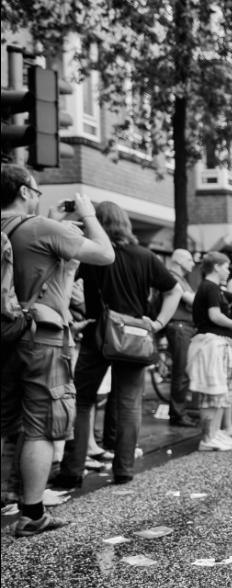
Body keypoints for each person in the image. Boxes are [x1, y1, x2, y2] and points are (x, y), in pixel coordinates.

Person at [1, 165, 115, 536]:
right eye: (36, 190)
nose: (38, 196)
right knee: (41, 426)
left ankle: (9, 494)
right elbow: (105, 253)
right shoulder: (40, 228)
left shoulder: (18, 228)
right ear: (23, 191)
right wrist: (88, 215)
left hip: (5, 336)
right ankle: (33, 514)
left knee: (9, 423)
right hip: (40, 337)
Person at [52, 202, 181, 488]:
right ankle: (123, 470)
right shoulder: (145, 256)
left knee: (81, 400)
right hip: (135, 338)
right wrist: (158, 323)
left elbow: (62, 283)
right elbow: (175, 290)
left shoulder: (92, 254)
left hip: (98, 335)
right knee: (129, 405)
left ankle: (72, 470)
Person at [187, 252, 232, 452]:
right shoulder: (209, 287)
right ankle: (208, 437)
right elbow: (214, 315)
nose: (229, 271)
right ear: (217, 266)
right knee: (211, 391)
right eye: (226, 266)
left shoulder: (214, 288)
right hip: (211, 344)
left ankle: (214, 433)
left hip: (216, 343)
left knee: (219, 391)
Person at [161, 248, 199, 427]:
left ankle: (179, 412)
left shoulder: (181, 279)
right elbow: (193, 301)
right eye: (189, 260)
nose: (193, 263)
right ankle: (178, 414)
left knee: (183, 371)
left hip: (183, 327)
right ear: (178, 261)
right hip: (179, 327)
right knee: (181, 371)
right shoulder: (172, 277)